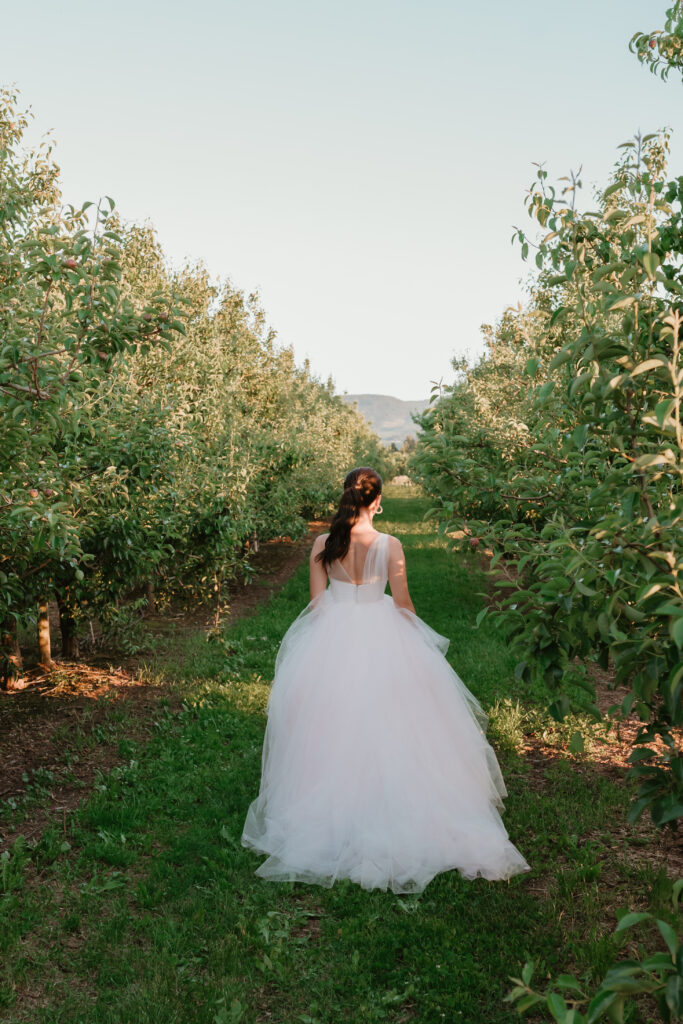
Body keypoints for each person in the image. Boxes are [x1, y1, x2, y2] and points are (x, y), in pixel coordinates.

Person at [241, 467, 529, 894]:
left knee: (330, 724)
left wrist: (334, 641)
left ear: (345, 496)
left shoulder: (324, 544)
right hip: (381, 626)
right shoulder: (390, 545)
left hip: (332, 635)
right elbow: (404, 603)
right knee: (396, 720)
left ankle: (327, 807)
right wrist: (416, 648)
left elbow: (316, 606)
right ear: (377, 501)